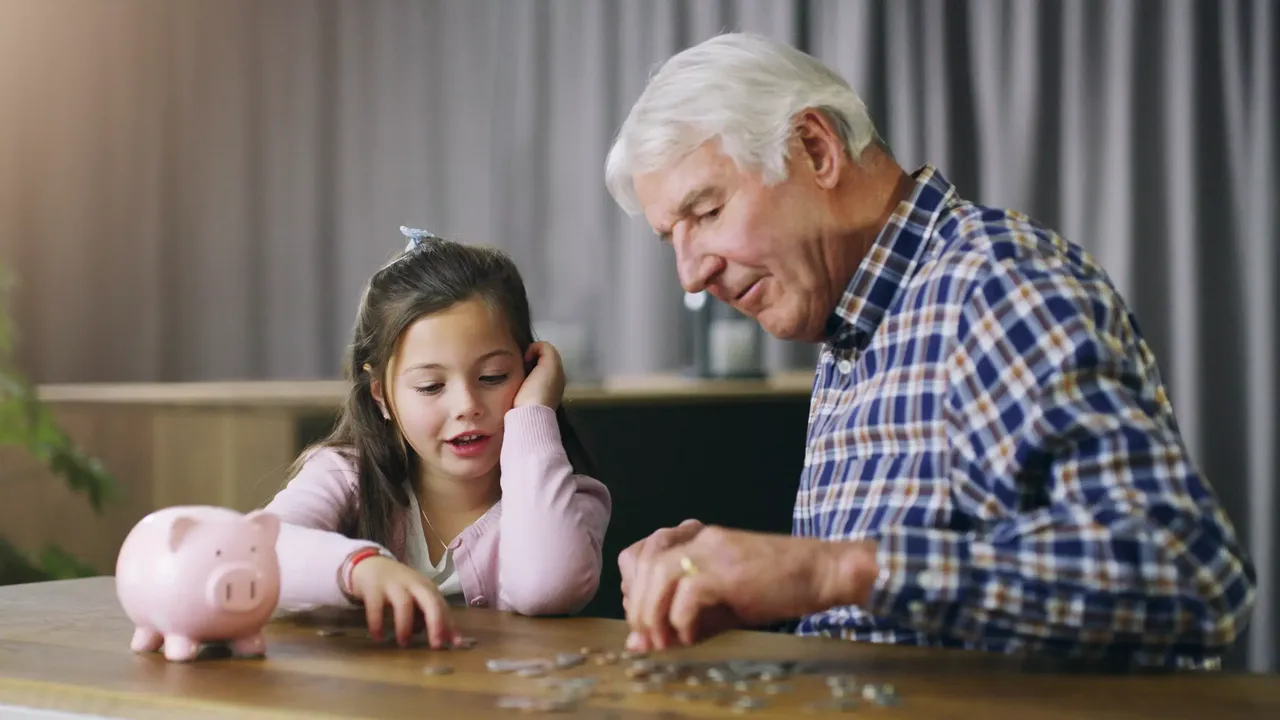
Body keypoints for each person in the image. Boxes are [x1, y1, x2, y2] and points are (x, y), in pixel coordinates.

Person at [604, 32, 1255, 670]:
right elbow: (896, 620)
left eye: (708, 211)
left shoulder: (998, 286)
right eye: (672, 239)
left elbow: (1189, 574)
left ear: (815, 148)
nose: (691, 275)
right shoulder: (852, 314)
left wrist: (824, 570)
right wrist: (749, 594)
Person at [264, 227, 612, 649]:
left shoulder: (563, 498)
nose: (467, 405)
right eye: (430, 386)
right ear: (381, 395)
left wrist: (534, 412)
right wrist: (358, 568)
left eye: (493, 377)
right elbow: (261, 553)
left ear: (528, 371)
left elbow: (547, 587)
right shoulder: (345, 475)